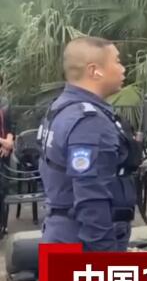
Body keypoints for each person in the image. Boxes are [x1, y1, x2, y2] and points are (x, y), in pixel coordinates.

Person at [39, 36, 139, 251]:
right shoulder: (89, 122)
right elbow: (91, 197)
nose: (123, 69)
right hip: (82, 241)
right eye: (117, 61)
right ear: (95, 71)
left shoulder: (60, 107)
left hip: (61, 232)